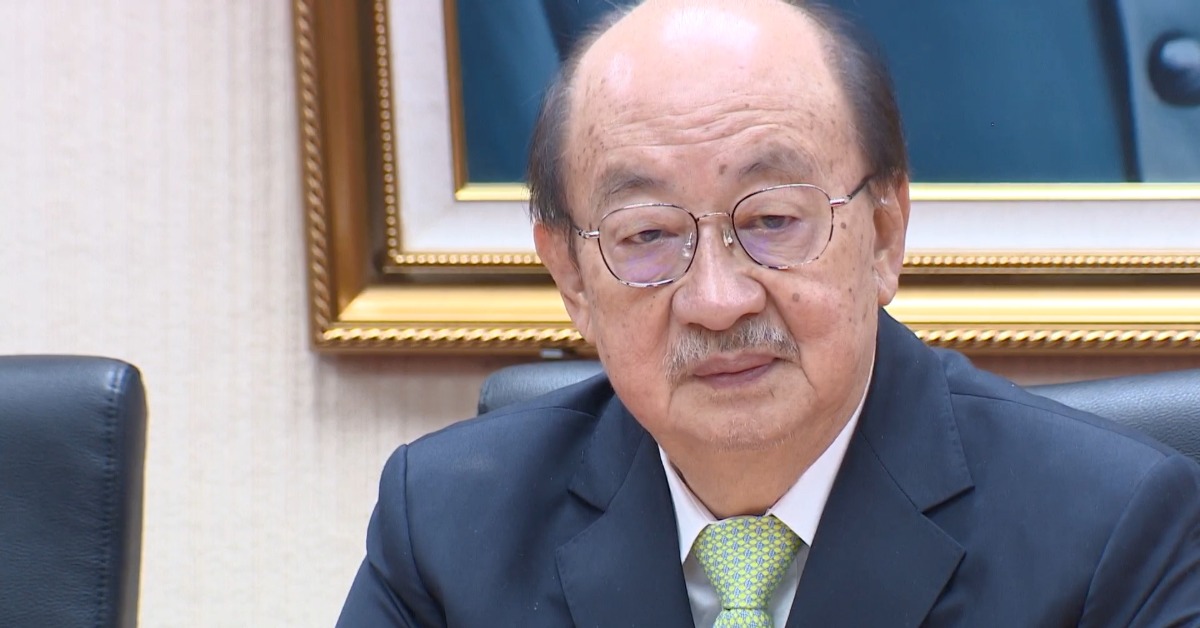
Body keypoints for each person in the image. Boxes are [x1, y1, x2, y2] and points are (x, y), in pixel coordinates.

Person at [338, 1, 1200, 625]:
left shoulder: (1114, 532)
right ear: (570, 276)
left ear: (884, 234)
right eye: (647, 235)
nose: (718, 301)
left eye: (774, 221)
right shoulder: (446, 528)